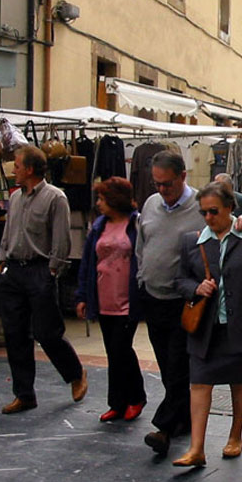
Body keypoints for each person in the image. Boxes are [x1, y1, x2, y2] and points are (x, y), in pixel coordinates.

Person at [135, 151, 242, 455]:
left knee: (178, 368)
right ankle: (183, 420)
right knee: (167, 367)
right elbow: (142, 243)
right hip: (155, 296)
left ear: (183, 176)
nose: (162, 189)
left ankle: (163, 428)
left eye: (167, 183)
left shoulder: (200, 206)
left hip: (187, 301)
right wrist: (141, 276)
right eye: (157, 184)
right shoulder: (150, 204)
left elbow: (232, 218)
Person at [173, 181, 242, 467]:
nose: (208, 218)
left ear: (230, 208)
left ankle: (235, 435)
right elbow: (179, 280)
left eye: (214, 212)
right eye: (203, 213)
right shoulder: (191, 241)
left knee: (239, 382)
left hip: (241, 324)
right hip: (204, 327)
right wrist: (196, 288)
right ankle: (197, 448)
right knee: (199, 383)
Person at [0, 146, 87, 414]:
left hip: (39, 271)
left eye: (17, 166)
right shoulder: (15, 198)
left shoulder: (55, 198)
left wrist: (51, 272)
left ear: (30, 169)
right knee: (14, 335)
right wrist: (3, 261)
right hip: (13, 270)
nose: (14, 170)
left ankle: (74, 373)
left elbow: (62, 240)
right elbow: (7, 232)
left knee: (47, 332)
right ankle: (24, 394)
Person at [75, 177, 145, 423]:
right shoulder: (98, 226)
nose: (98, 204)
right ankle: (117, 402)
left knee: (121, 349)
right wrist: (82, 296)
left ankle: (136, 397)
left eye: (103, 199)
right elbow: (87, 262)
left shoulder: (136, 224)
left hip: (127, 299)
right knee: (113, 352)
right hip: (103, 298)